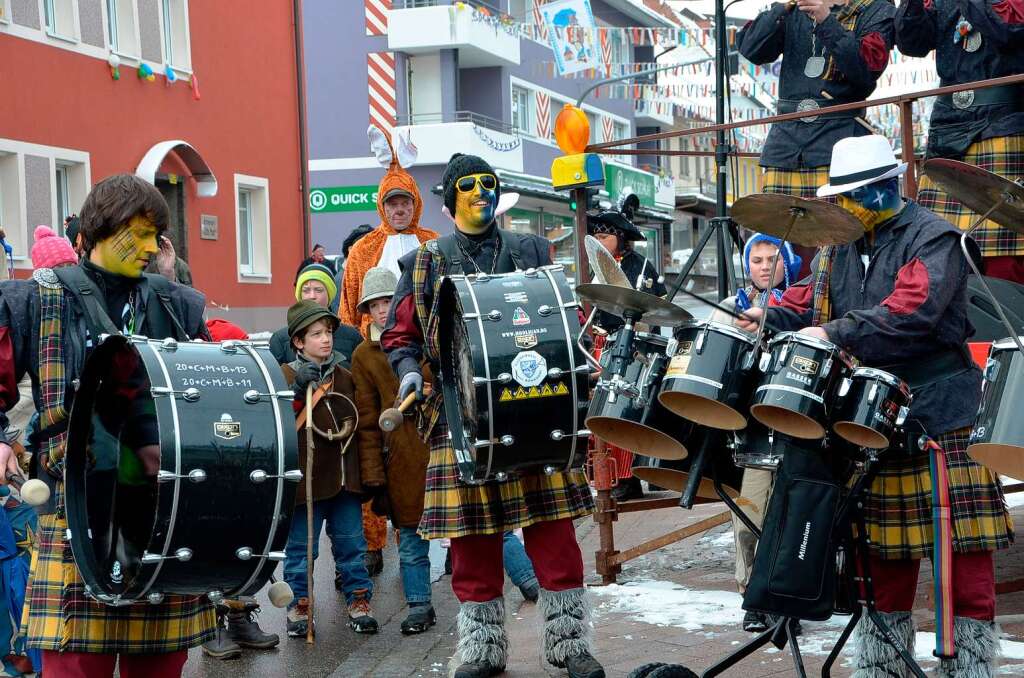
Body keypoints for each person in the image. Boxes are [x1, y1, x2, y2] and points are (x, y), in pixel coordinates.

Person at [737, 135, 1012, 676]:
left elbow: (912, 311)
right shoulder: (842, 245)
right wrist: (766, 316)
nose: (838, 208)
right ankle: (885, 664)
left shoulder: (936, 239)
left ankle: (970, 664)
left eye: (848, 198)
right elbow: (804, 302)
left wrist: (831, 329)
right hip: (874, 415)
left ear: (882, 191)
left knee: (963, 554)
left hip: (943, 414)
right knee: (882, 556)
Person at [382, 154, 603, 678]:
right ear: (450, 197)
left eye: (489, 184)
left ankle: (570, 644)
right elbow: (399, 335)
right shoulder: (426, 261)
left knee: (554, 534)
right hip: (461, 415)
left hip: (535, 404)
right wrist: (409, 369)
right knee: (473, 540)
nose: (482, 192)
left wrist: (578, 357)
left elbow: (560, 314)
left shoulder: (529, 249)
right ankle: (482, 649)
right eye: (470, 185)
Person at [0, 174, 215, 677]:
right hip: (71, 509)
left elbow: (208, 399)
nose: (149, 247)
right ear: (98, 231)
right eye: (136, 234)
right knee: (75, 670)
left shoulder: (177, 305)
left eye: (155, 236)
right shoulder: (34, 299)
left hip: (160, 513)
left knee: (160, 669)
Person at [712, 233, 803, 634]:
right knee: (749, 515)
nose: (765, 266)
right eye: (758, 260)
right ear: (747, 266)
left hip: (798, 427)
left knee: (792, 517)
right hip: (752, 431)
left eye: (773, 259)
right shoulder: (734, 308)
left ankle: (788, 601)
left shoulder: (804, 305)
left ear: (787, 264)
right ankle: (753, 596)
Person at [896, 0, 1024, 284]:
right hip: (947, 125)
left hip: (1003, 121)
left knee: (1004, 252)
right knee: (937, 243)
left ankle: (1011, 327)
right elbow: (912, 43)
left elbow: (1008, 30)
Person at [281, 300, 378, 638]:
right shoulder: (283, 376)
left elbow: (363, 422)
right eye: (316, 334)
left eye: (328, 333)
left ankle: (359, 600)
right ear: (298, 341)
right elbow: (276, 424)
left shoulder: (346, 376)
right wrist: (295, 390)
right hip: (305, 481)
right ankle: (299, 605)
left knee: (352, 545)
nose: (326, 339)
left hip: (343, 479)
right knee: (301, 550)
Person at [738, 0, 895, 202]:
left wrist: (826, 21)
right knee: (777, 229)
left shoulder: (876, 8)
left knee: (840, 230)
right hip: (786, 144)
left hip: (841, 142)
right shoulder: (792, 9)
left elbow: (865, 70)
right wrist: (782, 9)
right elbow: (751, 49)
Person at [352, 266, 437, 634]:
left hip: (440, 443)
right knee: (411, 537)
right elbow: (368, 422)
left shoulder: (424, 339)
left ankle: (529, 583)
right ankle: (419, 606)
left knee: (477, 527)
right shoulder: (363, 356)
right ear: (367, 312)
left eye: (390, 301)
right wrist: (373, 474)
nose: (384, 309)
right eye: (376, 304)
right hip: (401, 457)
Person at [587, 198, 667, 502]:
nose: (598, 241)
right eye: (595, 236)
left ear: (620, 237)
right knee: (602, 414)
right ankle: (609, 476)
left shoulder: (641, 267)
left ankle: (631, 476)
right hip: (602, 346)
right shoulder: (596, 267)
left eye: (604, 236)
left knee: (628, 413)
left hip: (633, 349)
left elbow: (650, 312)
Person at [340, 125, 439, 338]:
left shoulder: (433, 243)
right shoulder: (364, 248)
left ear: (417, 203)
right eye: (392, 204)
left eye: (405, 202)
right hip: (377, 345)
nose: (400, 210)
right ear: (382, 207)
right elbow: (348, 309)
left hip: (426, 340)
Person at [269, 263, 363, 368]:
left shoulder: (352, 337)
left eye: (318, 290)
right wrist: (298, 383)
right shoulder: (280, 340)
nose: (312, 296)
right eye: (306, 290)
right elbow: (276, 381)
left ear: (330, 294)